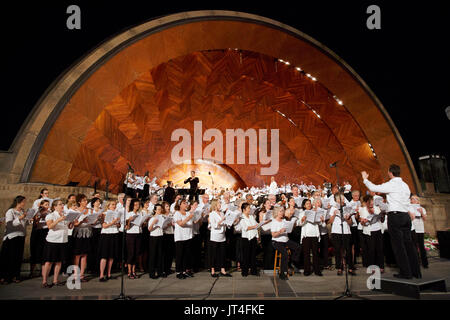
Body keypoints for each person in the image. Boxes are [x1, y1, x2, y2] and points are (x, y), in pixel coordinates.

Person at [362, 165, 421, 279]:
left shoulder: (392, 184)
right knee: (409, 245)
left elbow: (374, 188)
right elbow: (401, 202)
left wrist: (365, 179)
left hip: (396, 217)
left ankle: (406, 273)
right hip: (405, 216)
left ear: (390, 173)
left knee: (399, 246)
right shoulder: (405, 185)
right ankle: (415, 271)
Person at [41, 200, 73, 287]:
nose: (62, 205)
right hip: (53, 241)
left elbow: (69, 227)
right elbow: (50, 226)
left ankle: (55, 280)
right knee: (49, 262)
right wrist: (58, 220)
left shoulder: (65, 215)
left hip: (62, 240)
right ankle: (44, 281)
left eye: (62, 204)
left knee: (59, 261)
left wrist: (72, 221)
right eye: (60, 204)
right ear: (55, 207)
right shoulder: (50, 215)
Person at [0, 196, 27, 284]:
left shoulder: (22, 211)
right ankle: (6, 277)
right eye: (23, 202)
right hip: (11, 237)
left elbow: (23, 224)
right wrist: (19, 218)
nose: (24, 204)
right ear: (18, 202)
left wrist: (28, 220)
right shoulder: (10, 211)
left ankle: (15, 276)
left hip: (21, 236)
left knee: (18, 257)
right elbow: (9, 225)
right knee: (9, 258)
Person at [271, 205, 301, 280]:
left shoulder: (284, 221)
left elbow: (289, 230)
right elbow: (273, 235)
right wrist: (280, 232)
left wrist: (291, 226)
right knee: (285, 253)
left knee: (298, 247)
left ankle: (292, 261)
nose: (282, 213)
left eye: (282, 211)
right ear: (277, 212)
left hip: (286, 240)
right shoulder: (274, 222)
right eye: (280, 211)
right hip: (277, 241)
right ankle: (282, 273)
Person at [328, 193, 356, 276]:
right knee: (337, 250)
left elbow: (351, 223)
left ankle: (350, 267)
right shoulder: (333, 208)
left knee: (348, 250)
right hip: (336, 231)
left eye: (343, 199)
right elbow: (330, 221)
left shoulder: (348, 207)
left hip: (346, 230)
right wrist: (334, 214)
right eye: (341, 199)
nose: (342, 200)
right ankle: (339, 267)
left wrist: (348, 218)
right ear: (336, 200)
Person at [298, 199, 324, 276]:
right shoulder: (302, 213)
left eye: (309, 203)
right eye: (307, 204)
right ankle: (307, 270)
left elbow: (319, 223)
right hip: (306, 235)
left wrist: (321, 220)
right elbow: (299, 223)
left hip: (314, 234)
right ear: (304, 205)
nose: (309, 205)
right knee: (306, 254)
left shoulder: (315, 212)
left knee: (316, 253)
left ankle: (317, 270)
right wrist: (302, 220)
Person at [359, 195, 384, 272]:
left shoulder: (377, 208)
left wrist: (380, 215)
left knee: (379, 249)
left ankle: (381, 266)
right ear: (366, 202)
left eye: (372, 201)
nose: (371, 203)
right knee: (371, 249)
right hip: (369, 231)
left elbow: (382, 220)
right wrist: (364, 221)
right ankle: (372, 267)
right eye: (369, 201)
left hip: (378, 229)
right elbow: (362, 223)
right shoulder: (363, 210)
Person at [208, 199, 232, 277]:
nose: (220, 205)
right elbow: (214, 225)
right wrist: (222, 220)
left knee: (223, 253)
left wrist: (228, 221)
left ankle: (222, 269)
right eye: (219, 204)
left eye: (220, 204)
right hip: (215, 236)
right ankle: (213, 270)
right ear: (215, 205)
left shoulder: (221, 213)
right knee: (214, 254)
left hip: (222, 235)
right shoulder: (212, 214)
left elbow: (224, 223)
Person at [98, 201, 120, 282]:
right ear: (108, 206)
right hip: (106, 235)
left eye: (115, 205)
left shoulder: (117, 213)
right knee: (104, 255)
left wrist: (117, 223)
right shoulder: (104, 213)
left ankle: (109, 273)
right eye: (112, 204)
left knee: (111, 255)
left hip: (114, 233)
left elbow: (119, 225)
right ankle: (101, 274)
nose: (114, 206)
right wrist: (113, 222)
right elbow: (104, 225)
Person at [173, 199, 194, 279]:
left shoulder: (188, 213)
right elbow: (181, 223)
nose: (186, 205)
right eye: (184, 203)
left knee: (186, 255)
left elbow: (191, 223)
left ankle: (185, 271)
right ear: (180, 205)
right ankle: (179, 271)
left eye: (186, 203)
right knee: (180, 255)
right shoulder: (177, 213)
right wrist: (188, 218)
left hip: (188, 236)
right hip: (180, 237)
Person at [29, 199, 50, 278]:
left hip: (45, 232)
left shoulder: (49, 213)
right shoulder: (36, 212)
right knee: (34, 252)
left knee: (44, 252)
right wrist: (40, 216)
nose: (47, 206)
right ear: (41, 205)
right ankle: (32, 271)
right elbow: (34, 224)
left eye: (48, 205)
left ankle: (43, 272)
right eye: (46, 205)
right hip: (37, 232)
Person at [72, 194, 91, 282]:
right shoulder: (76, 211)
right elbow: (74, 224)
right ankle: (76, 274)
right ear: (79, 202)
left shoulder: (89, 210)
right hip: (79, 233)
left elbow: (92, 222)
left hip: (87, 232)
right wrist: (82, 221)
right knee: (77, 255)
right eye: (83, 200)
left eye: (86, 200)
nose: (85, 202)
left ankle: (82, 274)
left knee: (85, 254)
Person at [409, 195, 428, 268]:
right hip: (413, 228)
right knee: (414, 246)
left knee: (421, 246)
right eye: (411, 199)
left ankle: (425, 263)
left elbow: (425, 219)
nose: (412, 200)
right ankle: (416, 263)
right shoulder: (409, 208)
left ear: (417, 200)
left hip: (420, 229)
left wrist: (421, 212)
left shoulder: (422, 208)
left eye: (414, 199)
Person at [239, 202, 259, 277]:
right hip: (246, 238)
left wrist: (257, 235)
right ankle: (245, 271)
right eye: (248, 208)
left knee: (253, 255)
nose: (249, 209)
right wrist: (254, 226)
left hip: (253, 237)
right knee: (246, 255)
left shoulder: (251, 217)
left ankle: (254, 271)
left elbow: (256, 225)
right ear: (244, 209)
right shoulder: (242, 217)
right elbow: (246, 227)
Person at [125, 199, 142, 279]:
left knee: (136, 253)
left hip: (138, 233)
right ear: (132, 205)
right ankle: (129, 271)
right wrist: (129, 221)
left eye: (138, 204)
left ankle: (134, 270)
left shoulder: (139, 213)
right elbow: (127, 227)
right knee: (131, 253)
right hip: (130, 234)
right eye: (135, 205)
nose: (137, 206)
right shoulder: (129, 214)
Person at [148, 204, 164, 278]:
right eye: (158, 209)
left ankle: (160, 272)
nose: (160, 211)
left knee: (160, 255)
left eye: (160, 209)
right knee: (153, 255)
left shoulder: (162, 218)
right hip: (154, 237)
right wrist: (154, 223)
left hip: (160, 236)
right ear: (155, 210)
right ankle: (152, 273)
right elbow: (149, 229)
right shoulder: (152, 218)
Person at [161, 201, 175, 276]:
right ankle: (163, 269)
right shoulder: (162, 215)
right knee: (165, 253)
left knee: (170, 252)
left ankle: (168, 268)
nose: (168, 208)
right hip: (165, 234)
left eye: (168, 206)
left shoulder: (171, 214)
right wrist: (168, 224)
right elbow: (161, 226)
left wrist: (173, 224)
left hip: (171, 233)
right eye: (166, 206)